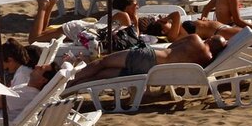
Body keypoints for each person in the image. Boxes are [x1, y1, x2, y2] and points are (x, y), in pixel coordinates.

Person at [72, 34, 227, 85]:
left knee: (103, 62)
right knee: (101, 75)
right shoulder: (207, 59)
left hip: (150, 57)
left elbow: (172, 45)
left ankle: (70, 82)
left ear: (211, 39)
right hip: (154, 72)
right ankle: (77, 84)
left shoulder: (196, 39)